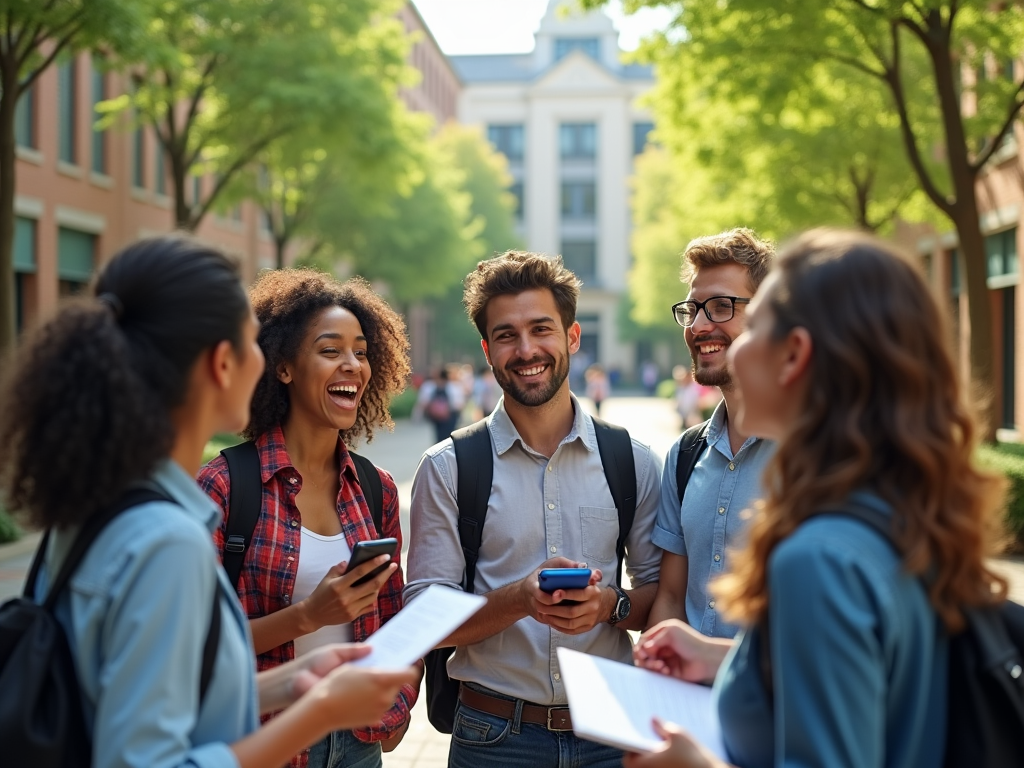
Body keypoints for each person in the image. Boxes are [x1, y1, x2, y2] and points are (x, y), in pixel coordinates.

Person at [0, 236, 417, 768]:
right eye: (252, 344)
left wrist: (295, 684)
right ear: (224, 364)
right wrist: (318, 713)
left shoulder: (101, 504)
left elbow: (154, 690)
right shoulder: (167, 540)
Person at [628, 229, 1010, 768]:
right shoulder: (896, 510)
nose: (706, 331)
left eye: (754, 325)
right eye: (691, 310)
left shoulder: (819, 558)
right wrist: (721, 657)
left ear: (794, 356)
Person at [406, 250, 664, 768]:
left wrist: (609, 605)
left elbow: (662, 597)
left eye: (541, 329)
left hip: (612, 733)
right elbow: (423, 620)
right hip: (492, 738)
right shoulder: (448, 467)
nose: (526, 350)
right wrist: (520, 600)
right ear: (487, 350)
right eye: (506, 335)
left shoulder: (631, 461)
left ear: (572, 336)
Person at [198, 269, 418, 768]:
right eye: (330, 350)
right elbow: (200, 642)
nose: (353, 365)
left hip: (356, 743)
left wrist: (397, 710)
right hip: (263, 741)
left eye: (361, 352)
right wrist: (309, 617)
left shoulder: (375, 487)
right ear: (283, 368)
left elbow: (393, 613)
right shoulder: (226, 486)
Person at [649, 229, 775, 639]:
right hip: (684, 703)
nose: (699, 325)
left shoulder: (820, 454)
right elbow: (670, 597)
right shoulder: (685, 455)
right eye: (692, 308)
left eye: (722, 307)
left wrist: (705, 659)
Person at [415, 367, 465, 443]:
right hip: (450, 416)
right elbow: (459, 404)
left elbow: (423, 402)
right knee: (448, 437)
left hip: (436, 417)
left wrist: (418, 415)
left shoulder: (429, 386)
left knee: (439, 437)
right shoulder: (454, 387)